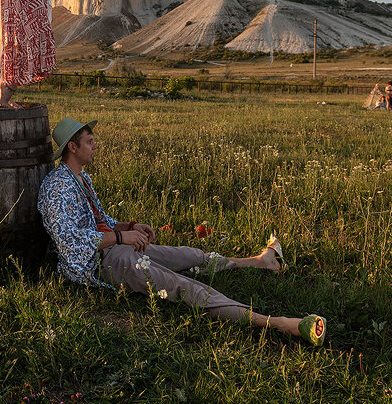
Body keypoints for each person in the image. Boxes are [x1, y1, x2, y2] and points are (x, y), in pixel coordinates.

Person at [37, 117, 326, 346]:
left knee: (188, 255)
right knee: (180, 285)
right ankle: (280, 323)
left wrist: (129, 227)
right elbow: (68, 241)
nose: (95, 146)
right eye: (89, 141)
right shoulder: (58, 187)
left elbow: (98, 221)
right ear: (72, 148)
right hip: (98, 264)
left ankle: (259, 261)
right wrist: (122, 238)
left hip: (115, 246)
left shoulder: (81, 178)